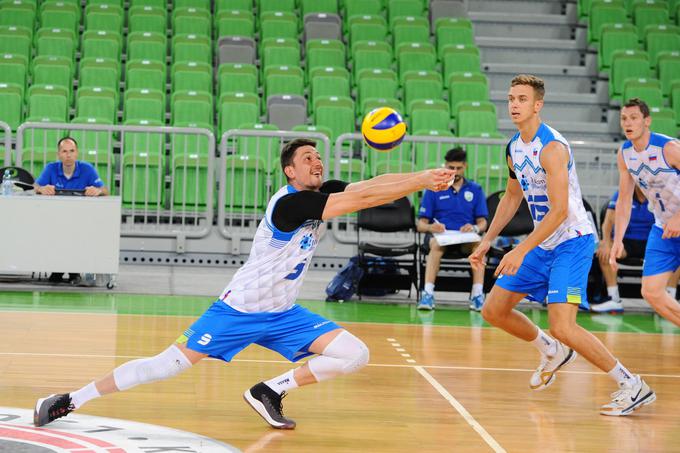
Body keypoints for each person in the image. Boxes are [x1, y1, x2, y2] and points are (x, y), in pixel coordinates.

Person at [34, 138, 455, 429]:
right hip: (240, 310)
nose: (317, 162)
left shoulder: (319, 192)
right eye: (308, 158)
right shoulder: (292, 203)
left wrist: (422, 175)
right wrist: (422, 181)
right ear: (290, 171)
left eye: (319, 157)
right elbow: (361, 200)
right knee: (167, 365)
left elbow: (368, 187)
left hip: (283, 313)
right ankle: (70, 399)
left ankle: (269, 390)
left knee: (354, 354)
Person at [469, 75, 655, 416]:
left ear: (537, 105)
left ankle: (632, 384)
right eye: (511, 98)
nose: (514, 104)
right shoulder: (514, 147)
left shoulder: (553, 148)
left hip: (572, 240)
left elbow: (560, 212)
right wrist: (488, 240)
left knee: (563, 325)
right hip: (544, 241)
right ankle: (551, 350)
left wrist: (520, 249)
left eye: (522, 99)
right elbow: (512, 196)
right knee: (493, 310)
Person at [610, 97, 680, 327]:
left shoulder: (668, 148)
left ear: (647, 121)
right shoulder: (625, 154)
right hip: (663, 228)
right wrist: (617, 239)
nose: (628, 123)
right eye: (623, 118)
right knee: (651, 292)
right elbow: (624, 200)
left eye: (634, 118)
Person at [416, 147, 488, 311]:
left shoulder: (475, 190)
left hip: (465, 239)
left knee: (480, 246)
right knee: (435, 244)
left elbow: (483, 223)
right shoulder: (433, 189)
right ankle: (427, 294)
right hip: (442, 238)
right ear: (445, 166)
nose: (454, 172)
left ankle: (477, 295)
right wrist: (431, 226)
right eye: (451, 168)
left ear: (465, 166)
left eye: (458, 168)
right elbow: (420, 225)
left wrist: (474, 228)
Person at [34, 136, 109, 284]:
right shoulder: (51, 168)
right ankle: (59, 269)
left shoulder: (87, 169)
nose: (68, 155)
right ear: (58, 154)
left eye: (72, 151)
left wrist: (97, 191)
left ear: (77, 153)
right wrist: (42, 188)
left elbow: (105, 190)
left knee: (76, 233)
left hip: (81, 220)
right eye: (64, 151)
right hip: (55, 219)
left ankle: (72, 271)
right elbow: (35, 186)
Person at [595, 185, 680, 313]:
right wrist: (606, 242)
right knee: (606, 252)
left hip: (653, 241)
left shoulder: (658, 194)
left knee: (675, 253)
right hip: (627, 242)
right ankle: (614, 299)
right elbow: (608, 220)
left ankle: (669, 298)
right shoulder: (623, 193)